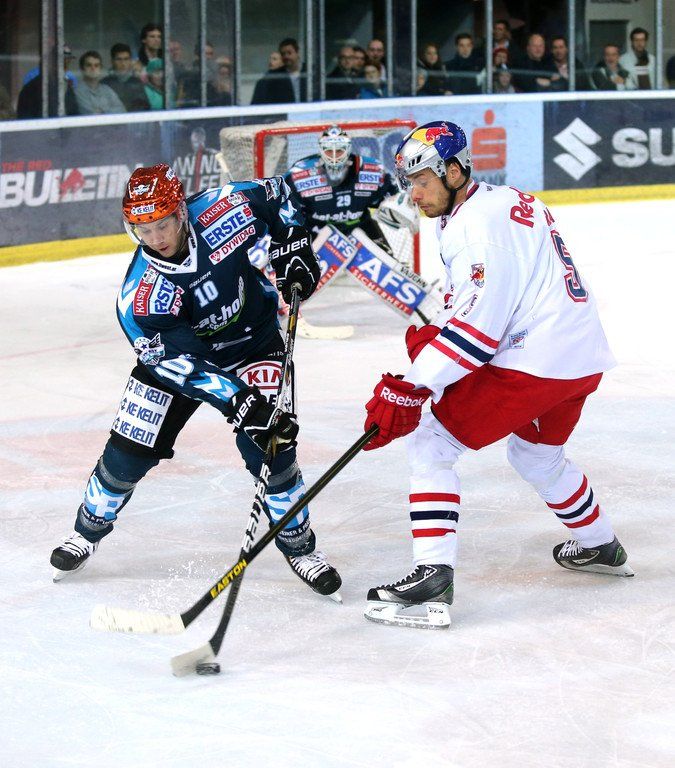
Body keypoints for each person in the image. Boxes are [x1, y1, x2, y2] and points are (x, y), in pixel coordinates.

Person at [361, 120, 632, 629]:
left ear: (454, 170)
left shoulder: (476, 228)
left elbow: (479, 333)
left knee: (431, 442)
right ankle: (600, 545)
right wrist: (437, 336)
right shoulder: (503, 200)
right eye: (409, 183)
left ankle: (432, 576)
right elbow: (483, 302)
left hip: (536, 361)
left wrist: (413, 385)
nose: (414, 194)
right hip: (579, 354)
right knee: (536, 454)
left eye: (422, 180)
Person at [49, 163, 342, 599]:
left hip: (253, 342)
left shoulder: (226, 207)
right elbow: (179, 366)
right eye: (143, 229)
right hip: (181, 365)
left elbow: (280, 196)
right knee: (128, 452)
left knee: (271, 447)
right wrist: (239, 400)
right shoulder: (141, 297)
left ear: (181, 212)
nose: (155, 238)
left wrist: (293, 245)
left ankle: (301, 549)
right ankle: (86, 530)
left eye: (162, 224)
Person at [284, 125, 401, 252]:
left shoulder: (372, 170)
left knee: (387, 261)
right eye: (329, 151)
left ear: (348, 149)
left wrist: (400, 207)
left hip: (360, 227)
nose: (334, 157)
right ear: (321, 150)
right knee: (300, 263)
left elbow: (393, 196)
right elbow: (284, 207)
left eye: (339, 150)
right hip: (316, 230)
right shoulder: (299, 175)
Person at [251, 38, 306, 105]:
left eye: (289, 53)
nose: (286, 56)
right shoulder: (276, 76)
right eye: (283, 54)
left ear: (297, 53)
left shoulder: (309, 72)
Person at [74, 51, 126, 115]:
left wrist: (103, 112)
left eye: (96, 65)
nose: (93, 68)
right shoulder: (77, 91)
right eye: (89, 65)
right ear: (82, 69)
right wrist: (108, 111)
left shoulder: (107, 89)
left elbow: (122, 110)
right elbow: (91, 114)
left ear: (100, 69)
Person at [102, 43, 150, 112]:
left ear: (130, 60)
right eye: (119, 59)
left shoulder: (136, 82)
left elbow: (144, 107)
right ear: (112, 61)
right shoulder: (105, 83)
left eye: (126, 59)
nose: (123, 63)